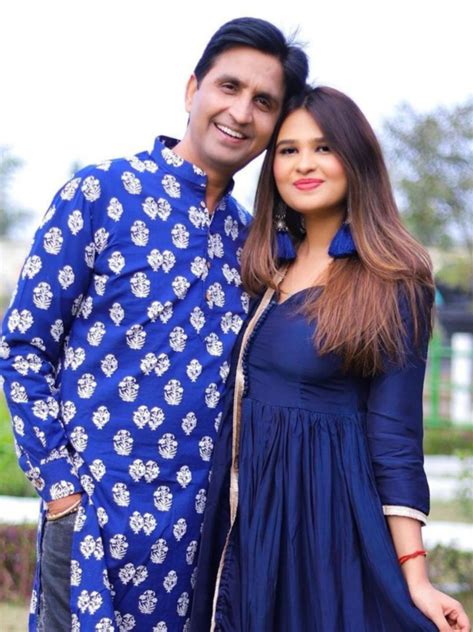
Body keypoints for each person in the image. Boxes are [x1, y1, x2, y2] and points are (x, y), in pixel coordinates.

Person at [0, 18, 308, 631]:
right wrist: (61, 491)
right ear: (193, 89)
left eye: (263, 102)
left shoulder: (254, 245)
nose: (240, 112)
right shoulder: (100, 194)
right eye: (229, 87)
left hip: (194, 545)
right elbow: (23, 348)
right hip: (89, 523)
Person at [190, 86, 471, 631]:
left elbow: (395, 437)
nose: (304, 164)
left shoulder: (393, 279)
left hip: (325, 519)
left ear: (356, 158)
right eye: (288, 150)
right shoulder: (261, 266)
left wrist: (416, 575)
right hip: (249, 514)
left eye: (323, 148)